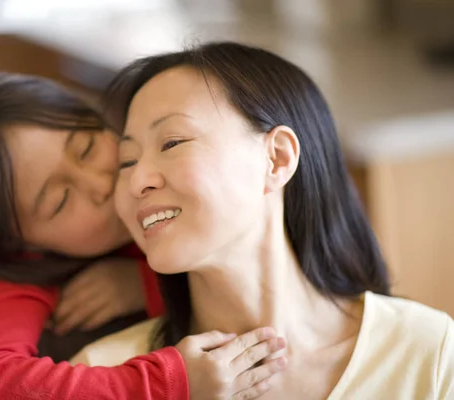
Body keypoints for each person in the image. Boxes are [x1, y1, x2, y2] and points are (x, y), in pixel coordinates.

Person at [70, 42, 454, 399]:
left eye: (172, 143)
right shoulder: (101, 375)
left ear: (277, 159)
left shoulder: (429, 353)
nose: (137, 181)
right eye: (127, 162)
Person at [0, 72, 287, 400]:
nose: (101, 184)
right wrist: (166, 385)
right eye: (61, 200)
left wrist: (144, 283)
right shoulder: (13, 278)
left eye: (87, 148)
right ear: (17, 246)